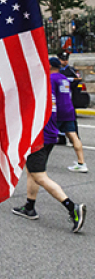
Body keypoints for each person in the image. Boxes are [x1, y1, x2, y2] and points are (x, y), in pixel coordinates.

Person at [12, 65, 86, 233]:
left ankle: (72, 207)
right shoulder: (46, 90)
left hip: (39, 137)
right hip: (50, 135)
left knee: (39, 175)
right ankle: (29, 207)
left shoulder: (36, 92)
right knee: (32, 170)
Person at [49, 57, 88, 173]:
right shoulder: (64, 78)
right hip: (69, 109)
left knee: (46, 136)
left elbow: (51, 96)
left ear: (50, 66)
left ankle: (38, 161)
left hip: (58, 110)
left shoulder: (51, 78)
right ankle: (81, 162)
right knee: (73, 135)